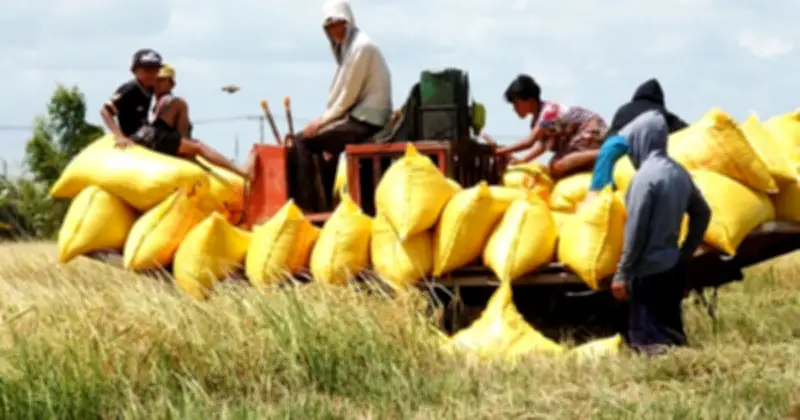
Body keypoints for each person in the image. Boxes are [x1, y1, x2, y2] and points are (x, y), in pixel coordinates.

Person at [609, 110, 711, 356]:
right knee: (672, 332)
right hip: (671, 265)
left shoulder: (644, 179)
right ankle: (686, 374)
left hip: (648, 271)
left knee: (648, 340)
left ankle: (665, 380)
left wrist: (622, 272)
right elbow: (703, 213)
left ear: (642, 140)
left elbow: (636, 230)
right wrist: (686, 251)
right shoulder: (678, 172)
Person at [287, 0, 392, 211]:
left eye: (338, 24)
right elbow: (342, 92)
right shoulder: (348, 47)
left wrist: (322, 122)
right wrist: (324, 120)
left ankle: (308, 207)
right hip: (358, 114)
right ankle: (325, 203)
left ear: (348, 22)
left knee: (302, 142)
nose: (335, 30)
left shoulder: (361, 48)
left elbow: (347, 96)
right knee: (327, 149)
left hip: (367, 118)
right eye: (330, 27)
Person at [488, 74, 607, 180]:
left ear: (529, 100)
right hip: (582, 135)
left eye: (516, 104)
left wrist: (499, 151)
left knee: (557, 165)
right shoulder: (538, 120)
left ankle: (604, 153)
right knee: (559, 171)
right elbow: (543, 146)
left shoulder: (548, 113)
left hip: (591, 128)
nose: (514, 109)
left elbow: (528, 142)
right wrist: (523, 161)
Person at [587, 78, 689, 194]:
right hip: (640, 149)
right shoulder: (659, 111)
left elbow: (610, 134)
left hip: (613, 148)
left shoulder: (623, 109)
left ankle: (596, 195)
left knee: (601, 190)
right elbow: (686, 130)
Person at [148, 64, 250, 179]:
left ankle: (239, 172)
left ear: (171, 84)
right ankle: (241, 172)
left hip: (168, 145)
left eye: (161, 80)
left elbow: (181, 135)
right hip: (166, 146)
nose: (156, 84)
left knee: (197, 147)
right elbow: (183, 135)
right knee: (199, 146)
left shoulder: (167, 103)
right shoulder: (172, 103)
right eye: (155, 80)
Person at [100, 49, 163, 147]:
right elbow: (105, 111)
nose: (151, 74)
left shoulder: (150, 87)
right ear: (134, 71)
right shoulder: (129, 89)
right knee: (164, 138)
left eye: (155, 70)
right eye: (147, 70)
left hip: (146, 129)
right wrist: (119, 136)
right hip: (135, 134)